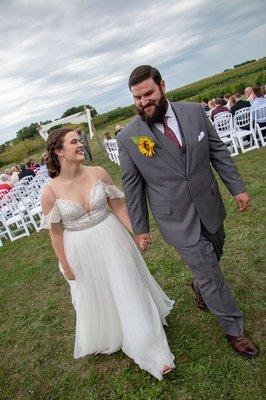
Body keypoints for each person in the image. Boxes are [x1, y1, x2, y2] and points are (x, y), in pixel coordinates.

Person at [116, 65, 258, 358]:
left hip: (210, 205)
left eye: (148, 93)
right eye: (137, 98)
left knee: (214, 255)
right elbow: (132, 187)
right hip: (176, 219)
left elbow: (217, 152)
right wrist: (140, 228)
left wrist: (237, 188)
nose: (144, 102)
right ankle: (235, 330)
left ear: (163, 86)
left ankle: (199, 285)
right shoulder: (129, 137)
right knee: (210, 273)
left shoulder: (194, 113)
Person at [40, 127, 175, 380]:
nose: (81, 144)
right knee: (99, 291)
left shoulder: (98, 172)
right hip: (80, 249)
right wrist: (65, 264)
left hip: (112, 237)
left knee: (127, 285)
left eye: (80, 140)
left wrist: (137, 231)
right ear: (58, 151)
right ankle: (115, 330)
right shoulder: (50, 192)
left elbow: (118, 205)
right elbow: (55, 233)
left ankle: (151, 348)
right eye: (73, 142)